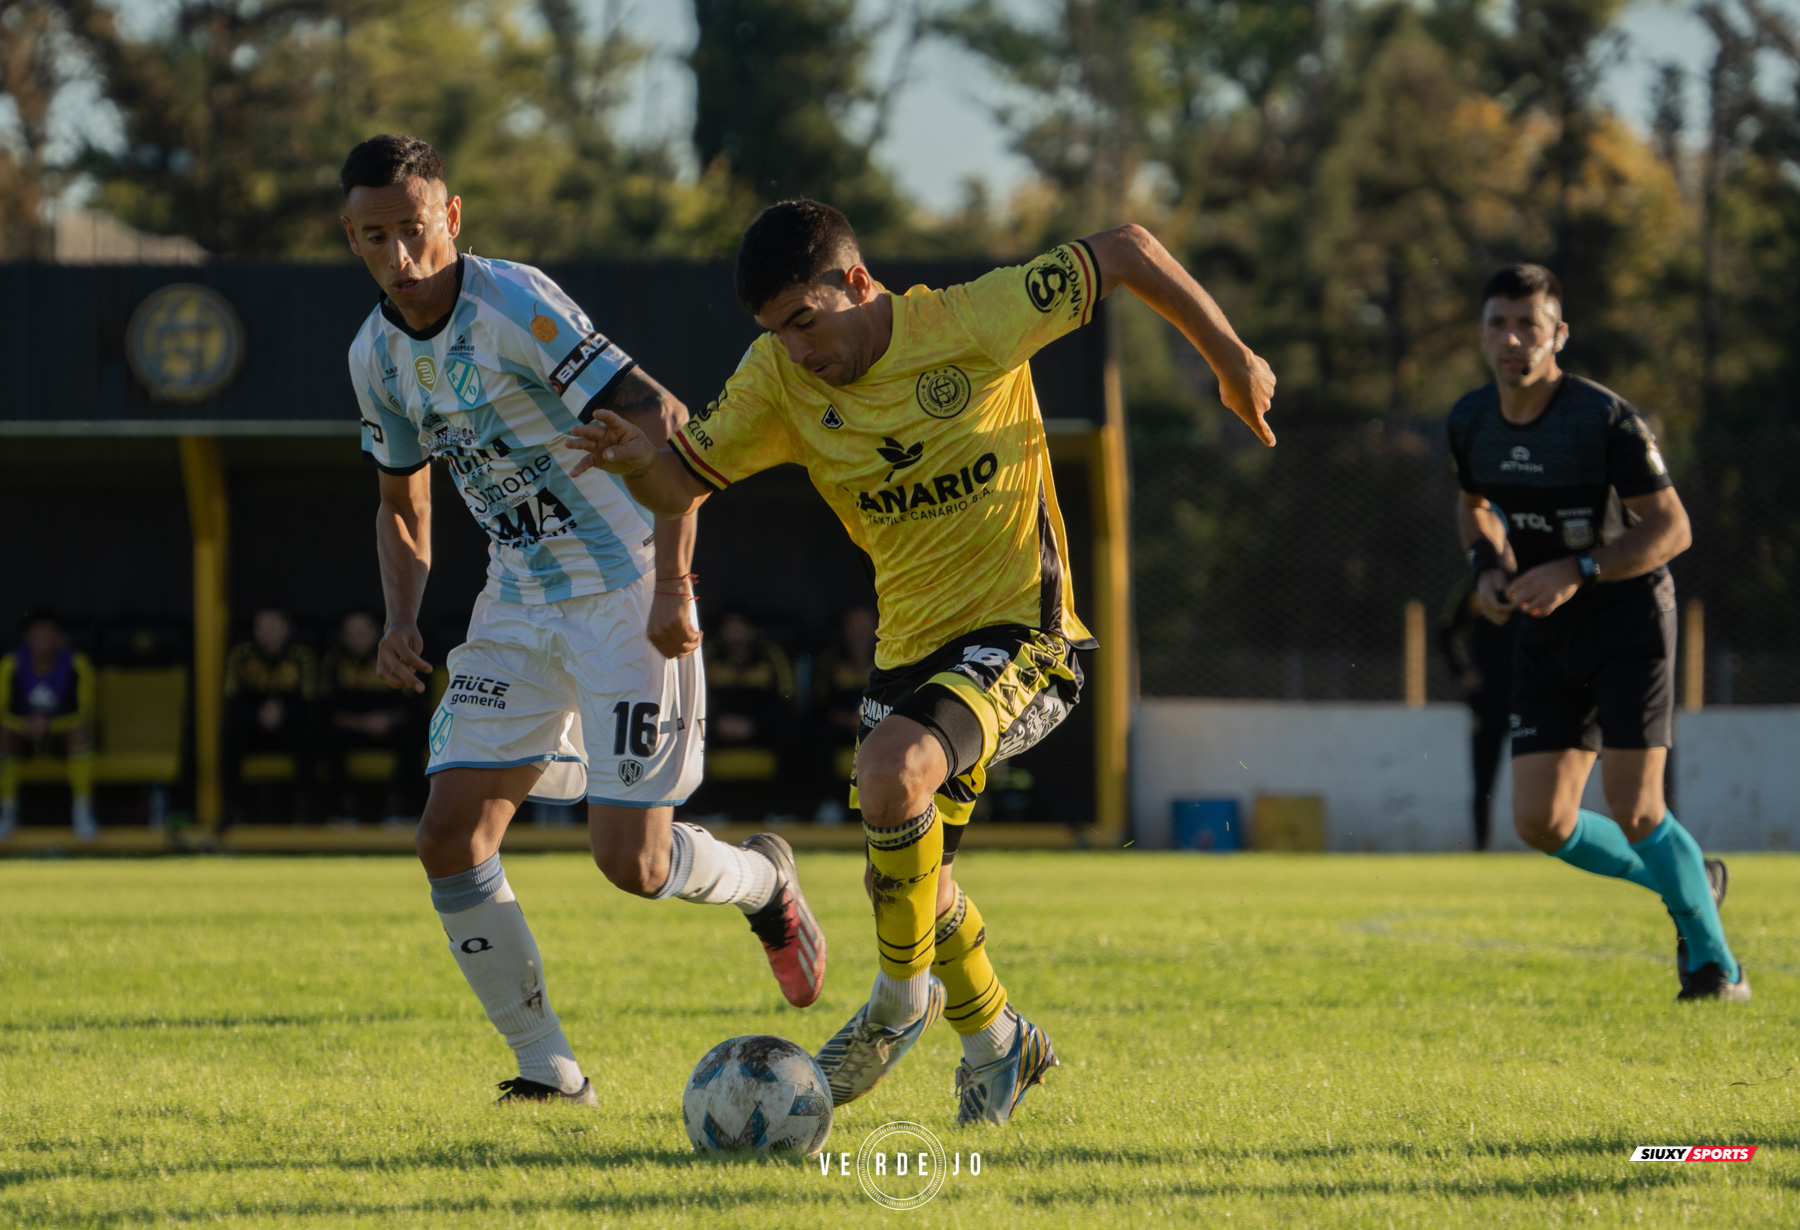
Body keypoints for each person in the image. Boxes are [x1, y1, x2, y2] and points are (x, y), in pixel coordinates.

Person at [569, 199, 1276, 1124]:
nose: (795, 349)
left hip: (1025, 629)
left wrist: (1231, 359)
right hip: (908, 651)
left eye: (805, 323)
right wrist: (636, 464)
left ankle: (897, 1009)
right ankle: (1000, 1044)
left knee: (891, 773)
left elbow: (1132, 250)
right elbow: (682, 482)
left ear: (857, 283)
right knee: (907, 879)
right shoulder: (777, 380)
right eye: (774, 332)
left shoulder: (974, 319)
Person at [338, 134, 827, 1106]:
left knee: (632, 864)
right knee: (447, 836)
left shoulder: (514, 304)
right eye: (372, 237)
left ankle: (765, 885)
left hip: (622, 594)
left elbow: (668, 419)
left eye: (413, 229)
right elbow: (403, 501)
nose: (399, 256)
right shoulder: (375, 357)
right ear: (349, 237)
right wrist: (401, 617)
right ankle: (549, 1072)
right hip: (517, 602)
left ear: (453, 217)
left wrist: (673, 582)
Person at [1448, 263, 1746, 1001]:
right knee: (1541, 822)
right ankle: (1693, 883)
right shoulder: (1471, 420)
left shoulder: (1603, 419)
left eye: (1529, 325)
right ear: (1482, 333)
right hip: (1548, 630)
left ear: (1559, 335)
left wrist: (1578, 567)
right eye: (1498, 324)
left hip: (1629, 620)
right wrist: (1487, 567)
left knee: (1636, 807)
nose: (1512, 340)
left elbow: (1672, 527)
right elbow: (1475, 504)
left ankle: (1717, 968)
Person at [319, 609, 423, 824]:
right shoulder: (334, 659)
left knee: (414, 735)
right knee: (323, 737)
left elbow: (413, 704)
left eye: (361, 632)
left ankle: (400, 809)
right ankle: (342, 811)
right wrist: (361, 723)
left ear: (376, 632)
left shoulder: (396, 657)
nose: (356, 639)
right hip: (351, 730)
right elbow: (324, 708)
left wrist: (387, 720)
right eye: (350, 633)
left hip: (389, 729)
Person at [0, 613, 97, 841]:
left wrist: (50, 725)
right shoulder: (11, 664)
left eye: (48, 636)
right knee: (3, 735)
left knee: (80, 733)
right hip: (24, 737)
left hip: (59, 737)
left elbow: (84, 711)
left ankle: (82, 812)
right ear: (28, 638)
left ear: (59, 638)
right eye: (37, 636)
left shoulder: (76, 664)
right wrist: (24, 724)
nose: (43, 642)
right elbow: (2, 712)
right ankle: (7, 812)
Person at [1439, 583, 1519, 850]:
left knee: (1537, 774)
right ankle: (1481, 845)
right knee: (1483, 779)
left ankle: (1547, 838)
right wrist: (1461, 671)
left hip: (1529, 696)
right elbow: (1446, 631)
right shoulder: (1478, 587)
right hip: (1488, 700)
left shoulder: (1538, 576)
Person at [223, 607, 317, 824]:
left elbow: (311, 699)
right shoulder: (242, 654)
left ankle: (306, 811)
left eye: (274, 627)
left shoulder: (302, 654)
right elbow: (232, 698)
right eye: (262, 627)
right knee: (230, 735)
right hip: (254, 727)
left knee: (309, 733)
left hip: (290, 726)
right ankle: (232, 811)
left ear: (287, 629)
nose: (268, 633)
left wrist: (282, 713)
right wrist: (258, 715)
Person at [811, 606, 878, 823]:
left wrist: (872, 719)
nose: (859, 632)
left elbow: (902, 696)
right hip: (841, 726)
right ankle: (828, 803)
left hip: (882, 725)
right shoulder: (830, 659)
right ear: (845, 629)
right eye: (854, 626)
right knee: (817, 735)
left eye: (864, 626)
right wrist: (846, 719)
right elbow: (819, 702)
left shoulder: (888, 658)